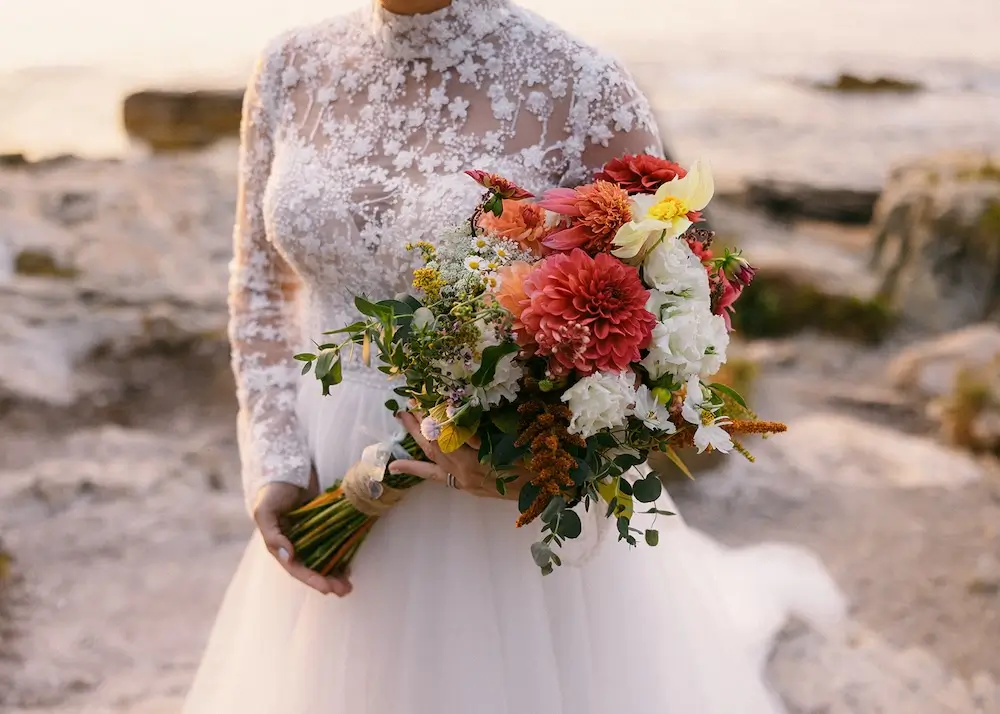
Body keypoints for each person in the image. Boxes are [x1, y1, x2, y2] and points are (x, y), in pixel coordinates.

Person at [183, 1, 845, 711]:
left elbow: (653, 334)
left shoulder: (582, 85)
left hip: (487, 508)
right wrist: (276, 459)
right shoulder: (288, 64)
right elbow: (256, 283)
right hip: (324, 466)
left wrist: (526, 460)